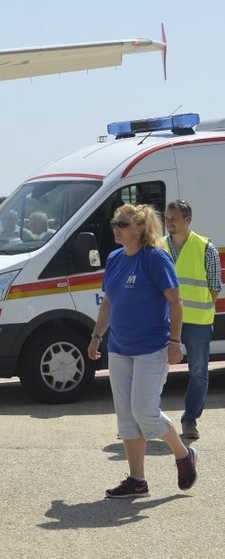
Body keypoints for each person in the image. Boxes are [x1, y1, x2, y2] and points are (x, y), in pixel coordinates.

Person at [88, 203, 197, 499]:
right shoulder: (114, 258)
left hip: (152, 348)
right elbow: (108, 302)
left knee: (145, 412)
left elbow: (175, 300)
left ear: (139, 227)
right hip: (119, 349)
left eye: (123, 224)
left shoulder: (155, 258)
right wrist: (96, 337)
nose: (116, 229)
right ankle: (137, 480)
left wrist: (175, 342)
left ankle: (183, 454)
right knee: (126, 417)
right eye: (114, 223)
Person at [163, 200, 221, 441]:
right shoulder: (158, 246)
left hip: (197, 322)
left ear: (188, 220)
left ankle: (190, 420)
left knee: (198, 372)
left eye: (174, 218)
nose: (169, 222)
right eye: (166, 218)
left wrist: (199, 307)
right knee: (153, 369)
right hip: (164, 321)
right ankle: (147, 418)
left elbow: (215, 286)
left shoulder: (206, 247)